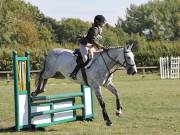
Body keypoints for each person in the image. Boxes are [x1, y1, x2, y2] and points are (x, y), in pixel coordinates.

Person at [70, 15, 107, 79]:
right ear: (97, 22)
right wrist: (101, 46)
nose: (104, 23)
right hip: (85, 45)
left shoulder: (100, 29)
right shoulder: (95, 29)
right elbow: (93, 41)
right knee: (85, 59)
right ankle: (74, 73)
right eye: (102, 22)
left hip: (91, 46)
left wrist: (100, 47)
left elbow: (96, 40)